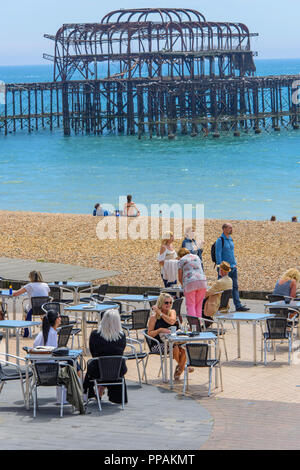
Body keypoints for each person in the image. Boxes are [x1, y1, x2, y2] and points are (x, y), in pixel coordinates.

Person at [83, 309, 128, 404]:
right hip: (117, 370)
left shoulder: (95, 335)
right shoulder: (122, 336)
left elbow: (93, 353)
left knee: (95, 365)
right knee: (108, 366)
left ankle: (96, 390)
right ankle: (100, 390)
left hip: (98, 370)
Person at [147, 293, 190, 381]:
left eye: (170, 302)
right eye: (166, 303)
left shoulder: (172, 312)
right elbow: (149, 333)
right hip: (158, 344)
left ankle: (180, 369)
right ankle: (183, 367)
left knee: (184, 348)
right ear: (161, 303)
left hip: (174, 341)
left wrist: (161, 314)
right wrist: (159, 330)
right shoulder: (154, 317)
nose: (169, 305)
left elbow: (171, 322)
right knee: (175, 348)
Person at [215, 223, 249, 312]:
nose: (231, 229)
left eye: (231, 228)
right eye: (229, 228)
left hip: (233, 267)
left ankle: (238, 305)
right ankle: (219, 306)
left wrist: (235, 263)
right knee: (222, 287)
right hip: (224, 268)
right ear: (224, 229)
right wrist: (220, 266)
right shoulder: (220, 240)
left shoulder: (230, 239)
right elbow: (218, 254)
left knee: (235, 286)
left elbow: (231, 253)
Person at [13, 270, 50, 337]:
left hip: (32, 309)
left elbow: (16, 294)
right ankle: (45, 327)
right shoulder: (45, 285)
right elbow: (47, 296)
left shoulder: (30, 285)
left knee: (25, 309)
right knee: (41, 312)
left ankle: (26, 329)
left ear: (31, 277)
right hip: (43, 309)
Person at [177, 247, 207, 318]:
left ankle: (193, 325)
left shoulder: (181, 260)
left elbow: (180, 277)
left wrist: (183, 285)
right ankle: (199, 323)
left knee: (190, 305)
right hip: (202, 281)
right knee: (199, 305)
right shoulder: (196, 257)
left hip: (190, 282)